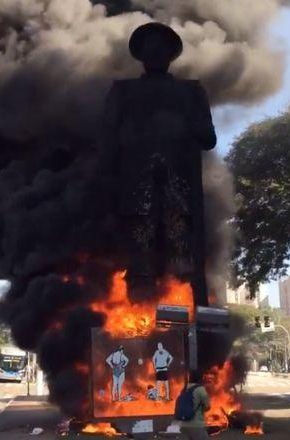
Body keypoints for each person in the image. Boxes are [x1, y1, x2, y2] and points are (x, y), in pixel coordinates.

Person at [101, 22, 216, 305]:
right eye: (149, 47)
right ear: (140, 54)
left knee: (182, 261)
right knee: (139, 260)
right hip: (135, 192)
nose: (155, 53)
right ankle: (138, 319)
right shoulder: (122, 92)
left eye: (161, 47)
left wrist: (181, 125)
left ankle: (183, 319)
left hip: (179, 193)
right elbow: (107, 141)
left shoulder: (191, 92)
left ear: (170, 54)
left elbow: (208, 138)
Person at [179, 370, 211, 440]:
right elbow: (207, 406)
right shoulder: (200, 389)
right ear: (200, 378)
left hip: (184, 425)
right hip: (196, 425)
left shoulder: (184, 389)